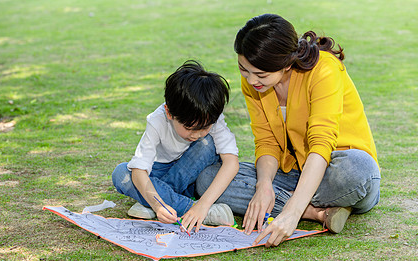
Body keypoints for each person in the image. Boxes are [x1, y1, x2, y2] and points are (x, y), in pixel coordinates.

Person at [196, 14, 381, 246]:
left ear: (287, 63)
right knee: (208, 178)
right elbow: (266, 142)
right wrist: (263, 185)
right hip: (293, 173)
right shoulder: (254, 82)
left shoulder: (325, 69)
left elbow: (321, 143)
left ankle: (295, 206)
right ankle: (316, 213)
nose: (252, 81)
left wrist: (291, 213)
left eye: (261, 74)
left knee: (359, 169)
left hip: (336, 169)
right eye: (244, 70)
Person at [112, 60, 239, 233]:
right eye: (189, 128)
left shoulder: (209, 114)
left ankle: (150, 199)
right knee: (121, 173)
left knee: (206, 144)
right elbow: (139, 170)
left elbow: (231, 162)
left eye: (205, 127)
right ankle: (189, 208)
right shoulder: (157, 120)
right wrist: (159, 206)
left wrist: (203, 203)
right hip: (159, 171)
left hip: (191, 177)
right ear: (169, 112)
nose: (197, 134)